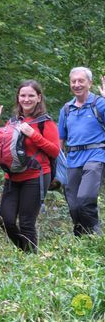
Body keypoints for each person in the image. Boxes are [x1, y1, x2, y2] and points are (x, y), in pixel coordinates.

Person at [0, 80, 60, 252]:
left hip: (36, 175)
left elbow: (55, 151)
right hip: (12, 177)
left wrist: (34, 135)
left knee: (27, 223)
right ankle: (29, 253)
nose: (26, 99)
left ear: (39, 98)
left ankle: (31, 262)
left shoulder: (45, 122)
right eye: (23, 95)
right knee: (6, 221)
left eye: (31, 95)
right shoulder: (13, 121)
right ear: (18, 98)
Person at [58, 67, 105, 236]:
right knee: (74, 205)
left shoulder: (100, 103)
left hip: (96, 156)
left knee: (85, 198)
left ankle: (96, 236)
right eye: (73, 81)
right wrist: (55, 166)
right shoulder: (66, 109)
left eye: (81, 81)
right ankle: (81, 238)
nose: (77, 84)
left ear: (90, 83)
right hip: (72, 159)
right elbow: (60, 140)